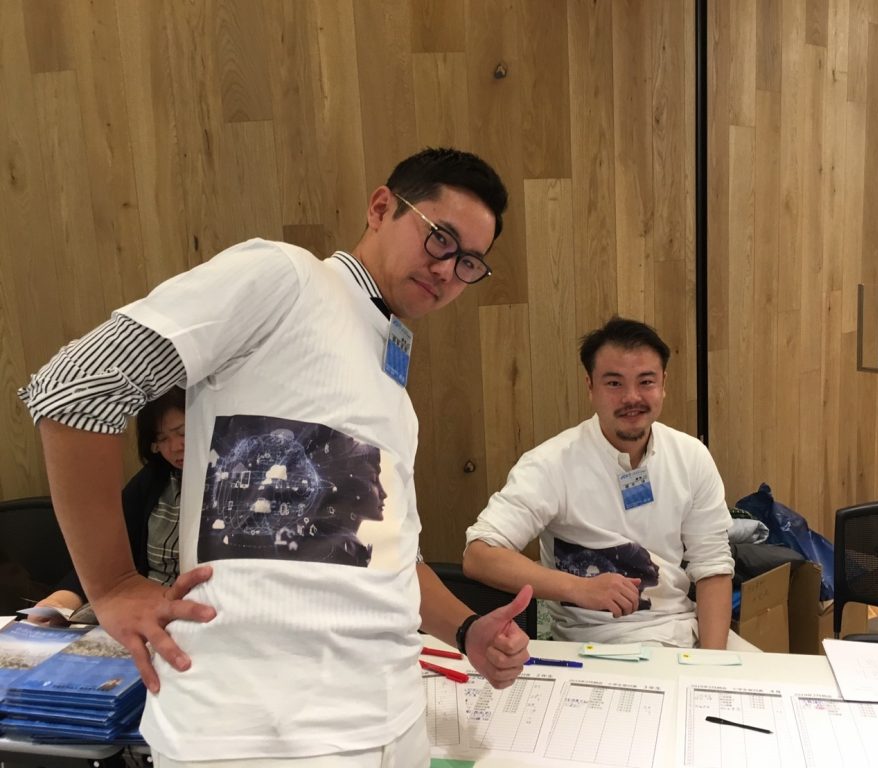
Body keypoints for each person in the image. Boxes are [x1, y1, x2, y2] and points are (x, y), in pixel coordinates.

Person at [19, 147, 532, 767]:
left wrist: (467, 630)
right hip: (259, 733)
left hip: (391, 718)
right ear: (380, 208)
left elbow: (387, 551)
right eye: (439, 238)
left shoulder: (388, 371)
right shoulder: (287, 278)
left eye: (469, 261)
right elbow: (76, 386)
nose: (448, 270)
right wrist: (113, 585)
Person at [463, 316, 755, 651]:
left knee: (781, 681)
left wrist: (711, 663)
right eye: (614, 383)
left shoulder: (690, 456)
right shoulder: (550, 464)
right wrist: (578, 588)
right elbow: (479, 556)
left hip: (684, 631)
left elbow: (713, 566)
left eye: (646, 381)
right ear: (590, 386)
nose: (632, 397)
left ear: (663, 384)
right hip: (599, 645)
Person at [31, 387, 186, 623]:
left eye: (182, 432)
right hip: (142, 609)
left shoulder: (236, 482)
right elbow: (106, 549)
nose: (174, 447)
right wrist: (62, 599)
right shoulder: (155, 478)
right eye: (162, 439)